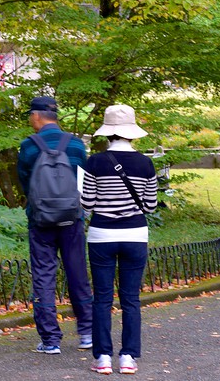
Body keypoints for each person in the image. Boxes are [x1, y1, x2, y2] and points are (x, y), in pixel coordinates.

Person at [81, 104, 157, 375]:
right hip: (135, 235)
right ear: (132, 133)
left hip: (101, 234)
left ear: (107, 133)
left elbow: (87, 203)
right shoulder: (146, 164)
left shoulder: (95, 162)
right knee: (131, 299)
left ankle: (102, 357)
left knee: (101, 298)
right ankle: (128, 357)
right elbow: (149, 206)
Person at [17, 96, 93, 355]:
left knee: (43, 277)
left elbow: (25, 183)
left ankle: (50, 340)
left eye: (30, 115)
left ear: (37, 116)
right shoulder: (76, 145)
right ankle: (86, 333)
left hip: (41, 221)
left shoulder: (28, 146)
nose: (30, 119)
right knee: (78, 274)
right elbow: (83, 181)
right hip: (72, 218)